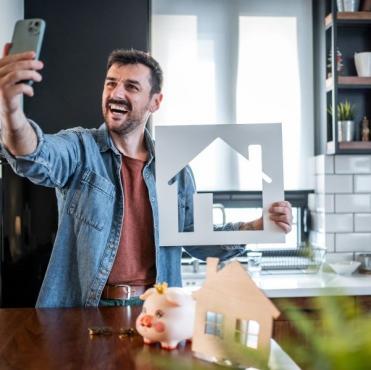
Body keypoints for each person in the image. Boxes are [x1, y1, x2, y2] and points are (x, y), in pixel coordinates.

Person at [0, 47, 292, 308]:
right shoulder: (80, 148)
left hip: (157, 311)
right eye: (111, 83)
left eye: (131, 86)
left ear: (155, 102)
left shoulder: (176, 169)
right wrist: (12, 111)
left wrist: (255, 227)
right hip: (86, 312)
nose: (116, 93)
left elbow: (196, 240)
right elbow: (35, 156)